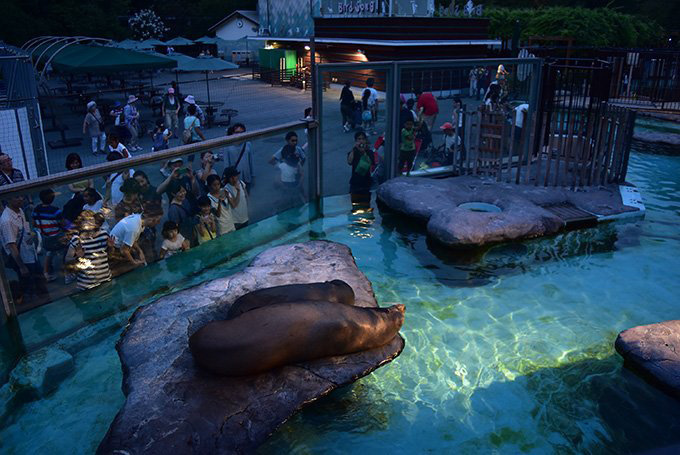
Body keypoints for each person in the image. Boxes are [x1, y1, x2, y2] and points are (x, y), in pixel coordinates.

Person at [0, 195, 48, 298]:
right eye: (16, 197)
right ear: (8, 199)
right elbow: (11, 245)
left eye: (22, 196)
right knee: (31, 287)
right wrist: (22, 267)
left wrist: (32, 234)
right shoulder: (7, 221)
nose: (21, 199)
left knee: (39, 282)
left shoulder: (20, 210)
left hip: (31, 255)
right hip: (24, 260)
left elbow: (25, 229)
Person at [65, 210, 111, 290]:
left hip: (105, 279)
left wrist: (111, 247)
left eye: (91, 220)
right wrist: (78, 257)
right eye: (86, 221)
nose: (89, 223)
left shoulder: (103, 234)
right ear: (81, 224)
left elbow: (109, 255)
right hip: (87, 285)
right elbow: (67, 261)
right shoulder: (77, 240)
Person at [110, 202, 163, 271]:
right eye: (158, 220)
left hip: (120, 246)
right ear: (152, 219)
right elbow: (124, 250)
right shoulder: (134, 227)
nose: (158, 223)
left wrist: (140, 251)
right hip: (114, 250)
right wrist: (134, 262)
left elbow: (132, 239)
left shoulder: (139, 219)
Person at [32, 189, 64, 281]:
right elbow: (63, 223)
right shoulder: (55, 211)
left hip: (45, 238)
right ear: (53, 198)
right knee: (66, 249)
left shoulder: (36, 210)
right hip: (57, 238)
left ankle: (46, 273)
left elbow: (34, 223)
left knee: (49, 252)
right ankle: (67, 270)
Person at [347, 131, 375, 204]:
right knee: (355, 205)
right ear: (356, 141)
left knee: (366, 205)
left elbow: (370, 163)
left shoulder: (369, 152)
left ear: (365, 140)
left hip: (366, 183)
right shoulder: (354, 152)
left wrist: (363, 152)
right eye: (359, 139)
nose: (361, 141)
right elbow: (349, 162)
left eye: (362, 139)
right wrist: (354, 149)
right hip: (355, 183)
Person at [225, 123, 254, 187]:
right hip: (234, 179)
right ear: (233, 133)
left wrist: (253, 175)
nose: (240, 135)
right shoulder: (227, 146)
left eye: (242, 132)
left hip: (247, 176)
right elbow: (226, 164)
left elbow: (251, 160)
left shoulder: (248, 144)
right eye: (237, 132)